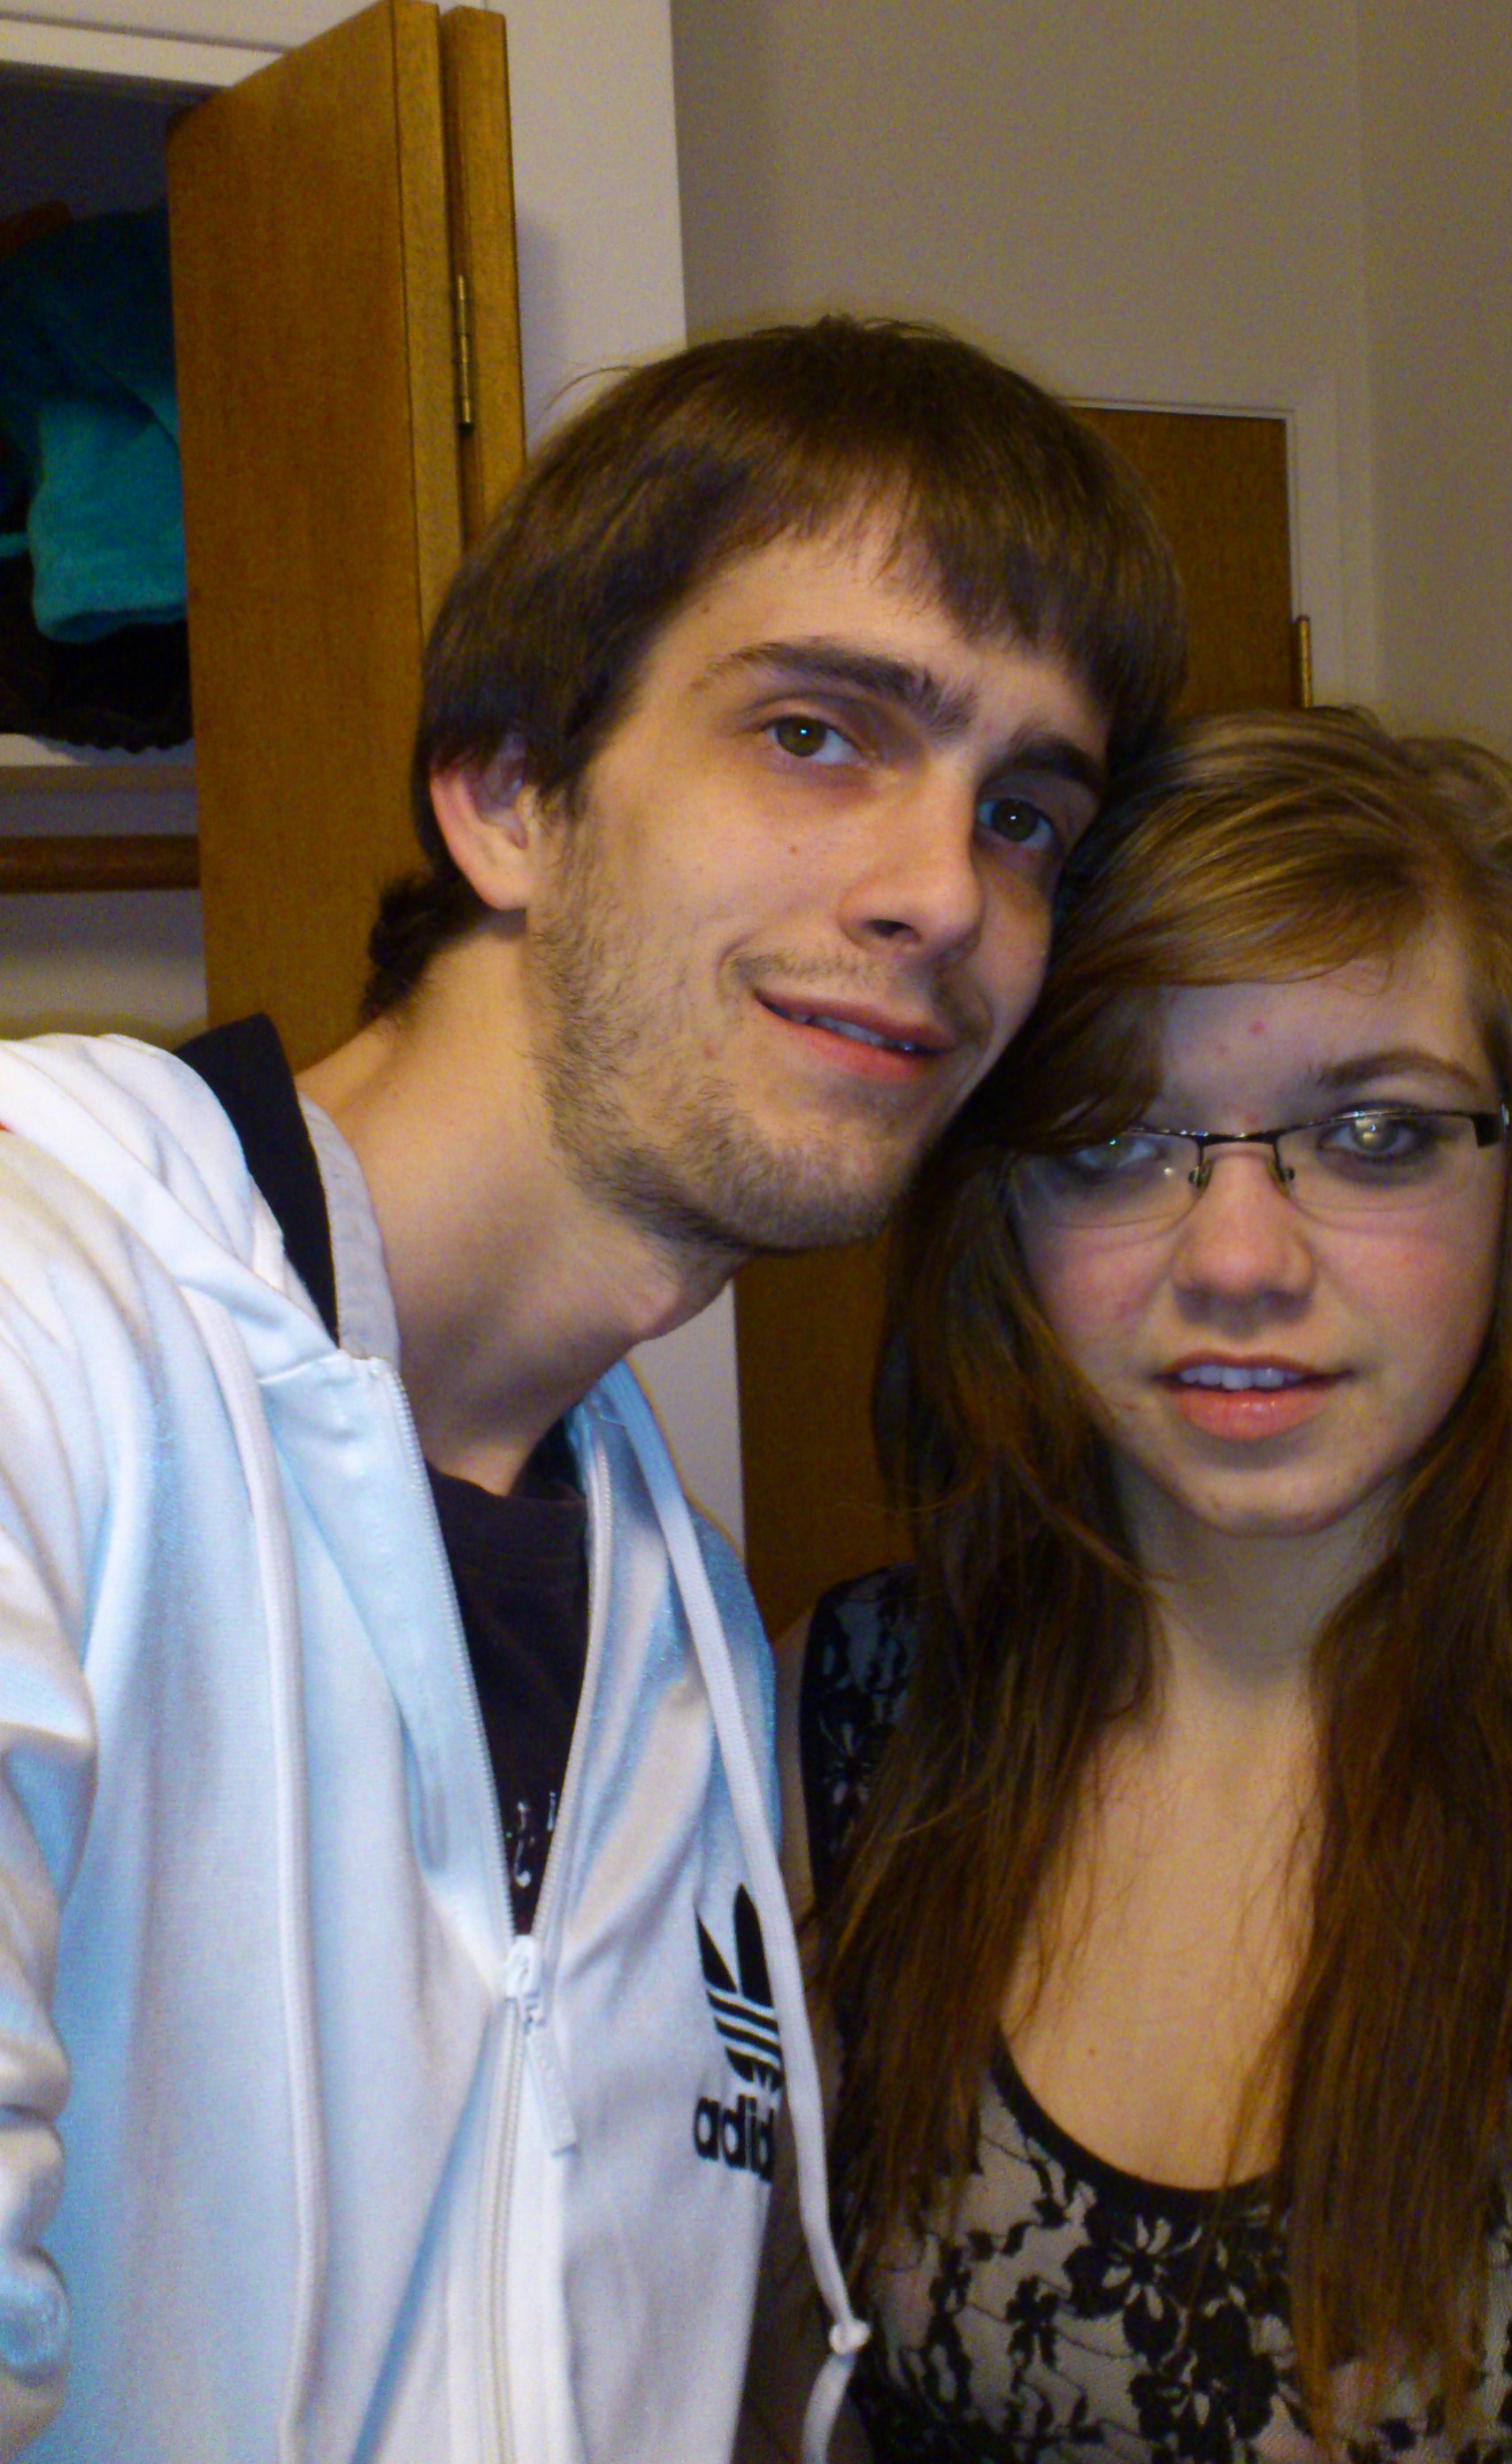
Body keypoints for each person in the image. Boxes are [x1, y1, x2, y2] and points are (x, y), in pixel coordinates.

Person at [0, 316, 1186, 2461]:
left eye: (1024, 814)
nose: (947, 895)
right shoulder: (48, 1313)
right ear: (508, 795)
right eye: (817, 733)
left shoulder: (688, 1643)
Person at [754, 708, 1512, 2464]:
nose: (1241, 1260)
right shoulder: (838, 1727)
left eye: (1376, 1134)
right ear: (999, 1210)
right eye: (1114, 1143)